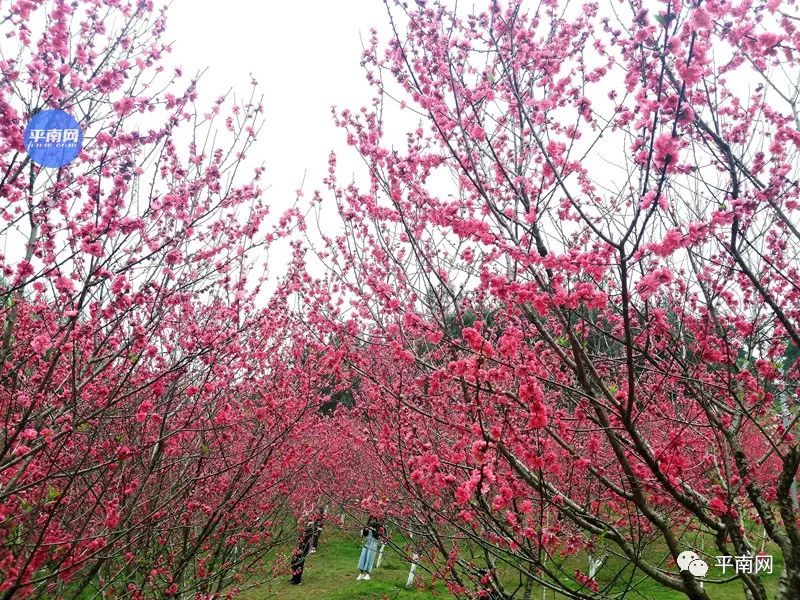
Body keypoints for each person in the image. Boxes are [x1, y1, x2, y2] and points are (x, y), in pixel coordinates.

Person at [356, 514, 384, 581]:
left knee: (369, 558)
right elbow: (365, 534)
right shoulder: (368, 525)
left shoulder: (379, 527)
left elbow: (378, 536)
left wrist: (374, 530)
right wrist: (366, 529)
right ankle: (361, 573)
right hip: (366, 543)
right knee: (363, 557)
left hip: (373, 544)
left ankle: (367, 573)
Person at [289, 519, 316, 585]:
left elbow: (306, 540)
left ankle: (298, 580)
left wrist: (301, 549)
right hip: (299, 547)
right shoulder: (303, 529)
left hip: (303, 548)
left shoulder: (308, 529)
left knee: (299, 563)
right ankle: (294, 577)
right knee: (294, 562)